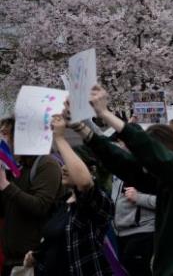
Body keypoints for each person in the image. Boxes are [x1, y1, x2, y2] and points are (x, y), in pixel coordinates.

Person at [70, 85, 173, 276]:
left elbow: (159, 160)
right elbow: (126, 165)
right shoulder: (169, 180)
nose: (147, 166)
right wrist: (83, 129)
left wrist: (105, 113)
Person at [21, 114, 114, 275]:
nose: (63, 168)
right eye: (63, 163)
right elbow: (56, 242)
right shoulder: (63, 203)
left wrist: (59, 138)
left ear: (90, 170)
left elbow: (84, 183)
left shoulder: (97, 203)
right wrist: (37, 255)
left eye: (70, 165)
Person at [0, 116, 64, 275]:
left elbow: (40, 206)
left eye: (6, 134)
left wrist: (6, 185)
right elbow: (5, 209)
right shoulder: (15, 167)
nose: (3, 140)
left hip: (33, 262)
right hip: (12, 261)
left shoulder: (47, 164)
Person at [109, 130, 156, 276]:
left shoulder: (150, 167)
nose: (121, 145)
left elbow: (168, 201)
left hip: (143, 232)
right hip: (120, 232)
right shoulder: (119, 165)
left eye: (124, 141)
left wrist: (138, 197)